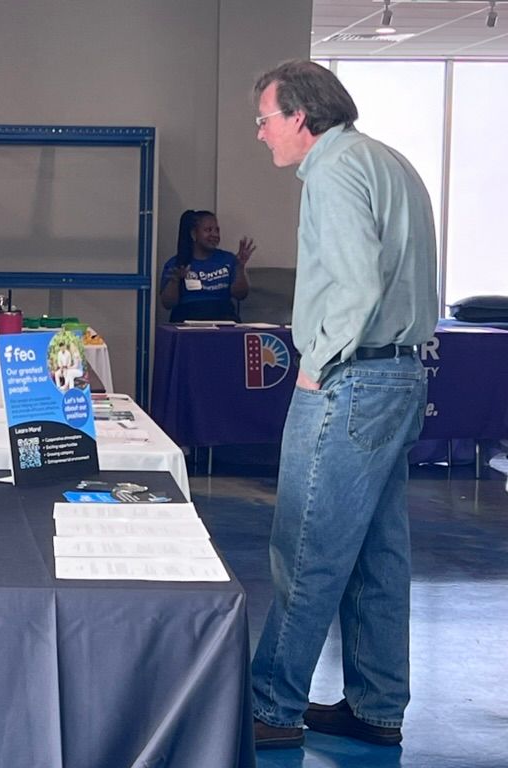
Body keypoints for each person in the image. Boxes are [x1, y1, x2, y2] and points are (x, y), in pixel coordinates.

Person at [248, 60, 437, 750]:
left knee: (306, 545)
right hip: (403, 376)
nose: (261, 135)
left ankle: (271, 704)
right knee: (380, 554)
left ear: (299, 116)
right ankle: (376, 706)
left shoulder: (331, 172)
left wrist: (317, 363)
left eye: (264, 119)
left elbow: (355, 285)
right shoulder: (389, 162)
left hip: (350, 381)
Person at [159, 209, 254, 321]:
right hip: (188, 321)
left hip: (223, 320)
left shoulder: (229, 259)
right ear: (194, 234)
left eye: (217, 230)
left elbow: (241, 295)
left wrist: (240, 267)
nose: (215, 235)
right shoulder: (177, 263)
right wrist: (175, 281)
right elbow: (167, 304)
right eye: (208, 230)